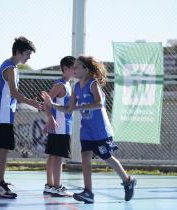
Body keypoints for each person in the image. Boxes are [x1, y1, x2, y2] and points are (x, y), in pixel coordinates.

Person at [42, 55, 137, 203]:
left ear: (85, 70)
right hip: (86, 130)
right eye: (73, 67)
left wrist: (81, 107)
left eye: (76, 67)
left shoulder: (93, 84)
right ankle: (88, 192)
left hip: (100, 130)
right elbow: (68, 109)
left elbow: (99, 103)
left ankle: (128, 180)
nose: (74, 69)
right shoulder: (75, 87)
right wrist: (52, 104)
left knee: (107, 157)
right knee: (85, 157)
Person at [0, 37, 41, 198]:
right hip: (3, 115)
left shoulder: (8, 65)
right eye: (27, 54)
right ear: (18, 52)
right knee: (2, 150)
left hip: (0, 114)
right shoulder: (10, 68)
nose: (29, 57)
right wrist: (32, 103)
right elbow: (15, 93)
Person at [42, 56, 75, 197]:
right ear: (66, 69)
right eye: (74, 67)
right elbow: (46, 103)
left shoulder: (68, 85)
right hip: (60, 127)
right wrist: (50, 119)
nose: (77, 70)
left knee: (53, 156)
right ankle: (56, 186)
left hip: (62, 126)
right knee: (58, 157)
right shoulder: (60, 85)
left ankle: (50, 185)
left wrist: (50, 120)